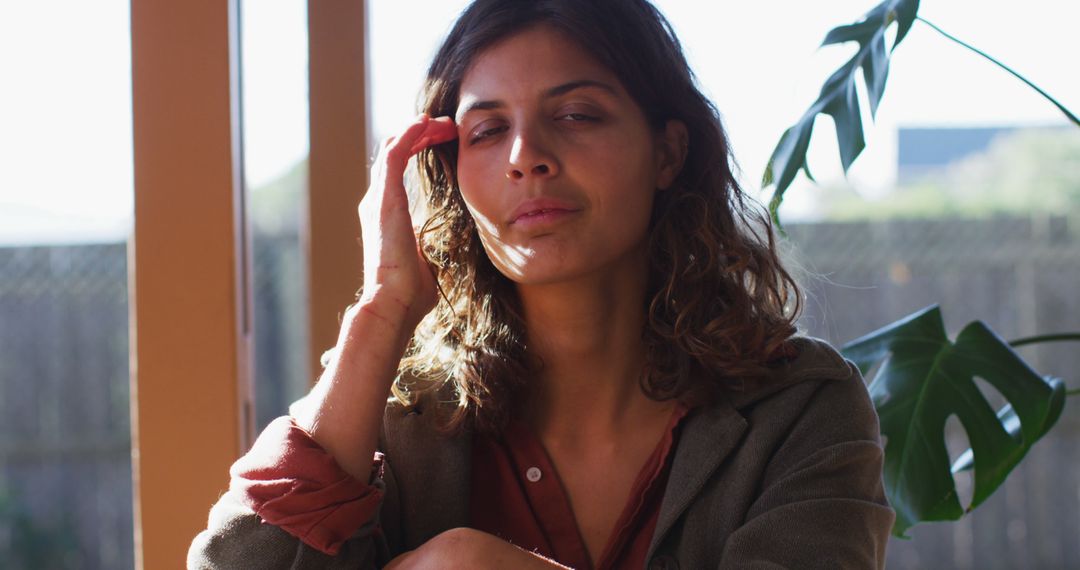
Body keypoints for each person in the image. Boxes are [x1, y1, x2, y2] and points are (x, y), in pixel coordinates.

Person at [189, 0, 895, 568]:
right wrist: (380, 309)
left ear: (668, 152)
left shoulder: (799, 409)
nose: (527, 157)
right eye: (488, 131)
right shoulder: (397, 422)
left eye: (576, 114)